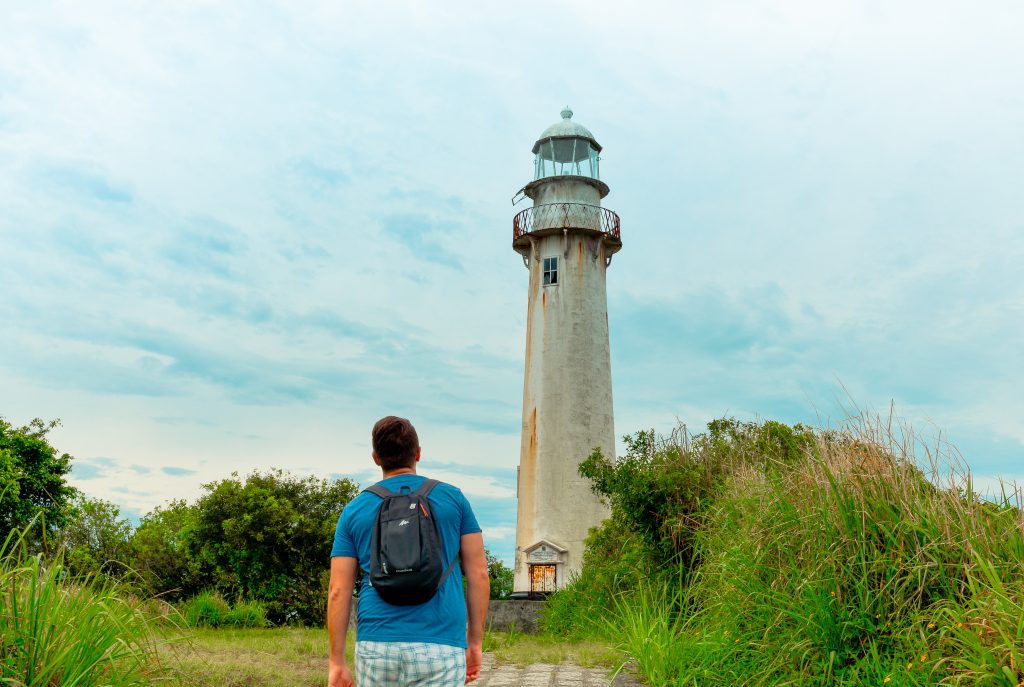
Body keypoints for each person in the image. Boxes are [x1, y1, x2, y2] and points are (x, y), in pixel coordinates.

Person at [328, 416, 490, 687]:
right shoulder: (454, 500)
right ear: (418, 453)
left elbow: (338, 590)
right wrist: (474, 642)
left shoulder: (355, 510)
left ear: (376, 458)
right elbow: (479, 574)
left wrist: (336, 661)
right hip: (441, 645)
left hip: (377, 645)